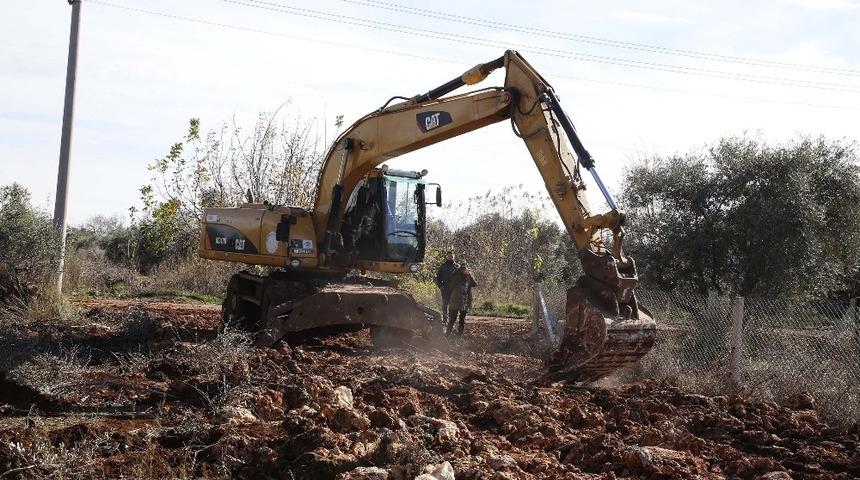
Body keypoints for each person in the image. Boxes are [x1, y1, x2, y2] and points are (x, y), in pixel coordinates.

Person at [445, 263, 477, 337]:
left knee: (462, 320)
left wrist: (469, 275)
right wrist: (457, 274)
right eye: (462, 269)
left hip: (464, 301)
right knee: (452, 319)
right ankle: (447, 334)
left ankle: (459, 336)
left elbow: (474, 284)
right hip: (455, 300)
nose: (464, 270)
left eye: (465, 269)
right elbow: (451, 285)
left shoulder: (468, 277)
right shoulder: (456, 276)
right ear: (460, 270)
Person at [435, 250, 459, 327]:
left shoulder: (457, 266)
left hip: (454, 289)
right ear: (446, 257)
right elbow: (438, 278)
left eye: (452, 256)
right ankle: (445, 319)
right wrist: (440, 286)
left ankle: (452, 319)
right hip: (445, 289)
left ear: (454, 257)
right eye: (449, 256)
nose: (450, 257)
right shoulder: (442, 266)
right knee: (445, 304)